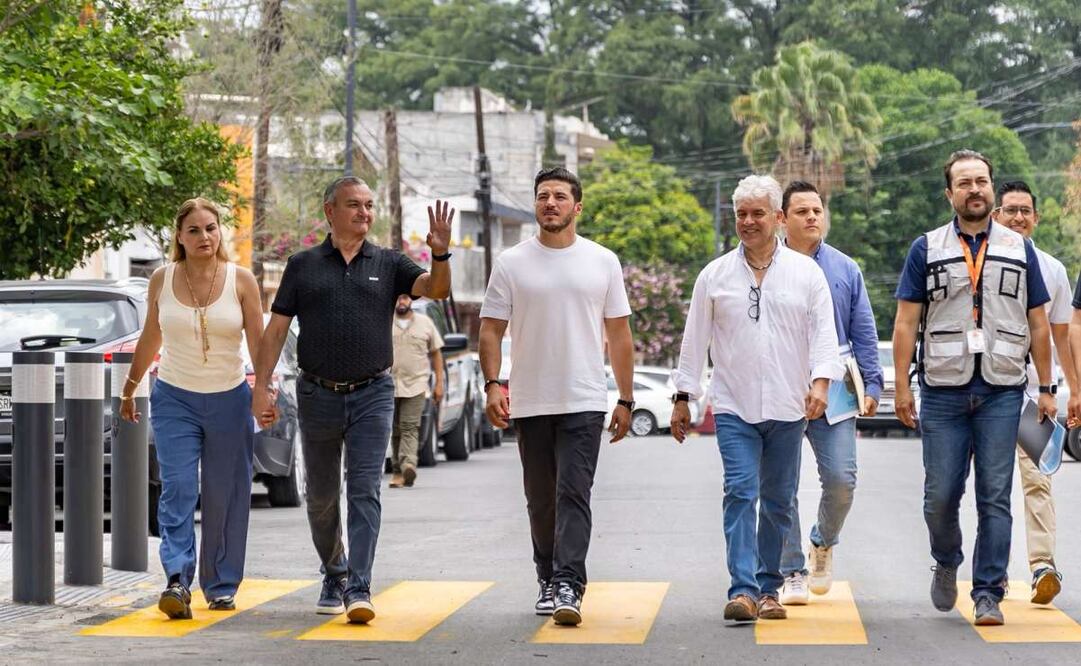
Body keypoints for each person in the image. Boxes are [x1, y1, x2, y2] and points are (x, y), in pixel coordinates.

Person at [252, 177, 452, 624]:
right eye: (354, 205)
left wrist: (440, 253)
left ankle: (359, 586)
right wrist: (261, 385)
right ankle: (335, 569)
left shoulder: (388, 262)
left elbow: (435, 290)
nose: (364, 213)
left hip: (373, 393)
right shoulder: (303, 266)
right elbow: (277, 329)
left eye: (369, 205)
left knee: (364, 490)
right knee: (321, 497)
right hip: (317, 393)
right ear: (330, 211)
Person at [892, 150, 1056, 626]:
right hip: (942, 387)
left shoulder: (1019, 248)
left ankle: (988, 590)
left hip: (1003, 387)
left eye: (982, 181)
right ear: (950, 194)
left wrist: (1046, 386)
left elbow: (1039, 323)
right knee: (940, 494)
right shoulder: (926, 247)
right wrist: (901, 385)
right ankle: (947, 559)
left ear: (991, 188)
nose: (975, 189)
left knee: (994, 494)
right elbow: (906, 322)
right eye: (964, 183)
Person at [671, 174, 842, 623]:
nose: (748, 222)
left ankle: (770, 588)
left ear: (779, 218)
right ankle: (743, 590)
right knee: (741, 491)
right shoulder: (715, 275)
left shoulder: (807, 274)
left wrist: (821, 383)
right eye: (741, 214)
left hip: (789, 406)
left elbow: (825, 334)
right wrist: (683, 396)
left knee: (780, 499)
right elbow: (695, 340)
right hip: (733, 406)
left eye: (757, 213)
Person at [479, 167, 634, 627]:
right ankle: (546, 575)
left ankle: (569, 582)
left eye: (560, 196)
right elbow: (490, 330)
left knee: (574, 493)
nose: (550, 203)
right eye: (543, 196)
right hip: (530, 400)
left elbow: (619, 334)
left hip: (584, 399)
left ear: (577, 207)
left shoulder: (603, 261)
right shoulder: (511, 262)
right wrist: (493, 384)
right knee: (540, 497)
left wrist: (625, 398)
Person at [120, 198, 267, 619]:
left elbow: (257, 342)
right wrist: (130, 389)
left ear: (220, 232)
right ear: (179, 238)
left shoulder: (242, 280)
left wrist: (264, 392)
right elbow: (151, 336)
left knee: (226, 494)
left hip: (230, 397)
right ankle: (177, 581)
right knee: (179, 487)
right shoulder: (162, 280)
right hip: (174, 398)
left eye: (211, 228)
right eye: (194, 230)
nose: (205, 237)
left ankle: (220, 585)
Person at [777, 181, 883, 606]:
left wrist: (873, 384)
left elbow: (864, 331)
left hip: (836, 382)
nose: (812, 218)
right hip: (783, 380)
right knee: (780, 483)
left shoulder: (844, 268)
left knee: (842, 479)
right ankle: (791, 570)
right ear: (782, 219)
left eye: (817, 210)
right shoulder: (769, 263)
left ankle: (822, 541)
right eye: (802, 211)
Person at [991, 180, 1077, 605]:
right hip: (986, 394)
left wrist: (1071, 389)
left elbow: (1063, 337)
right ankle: (996, 572)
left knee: (1037, 480)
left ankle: (1043, 565)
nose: (1019, 217)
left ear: (1036, 218)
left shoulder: (1053, 270)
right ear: (996, 216)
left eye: (1026, 210)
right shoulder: (980, 262)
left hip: (1032, 396)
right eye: (1010, 210)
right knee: (992, 487)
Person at [389, 294, 444, 488]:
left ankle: (408, 465)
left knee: (409, 426)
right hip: (388, 385)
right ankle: (397, 472)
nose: (401, 302)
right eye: (398, 298)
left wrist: (439, 383)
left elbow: (436, 354)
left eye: (404, 298)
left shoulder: (425, 323)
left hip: (416, 385)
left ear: (410, 300)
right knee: (394, 430)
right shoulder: (384, 321)